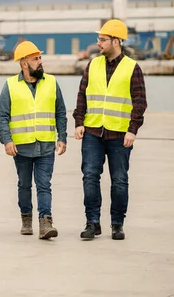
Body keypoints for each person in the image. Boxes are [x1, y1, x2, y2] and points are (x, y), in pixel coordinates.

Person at [73, 19, 147, 241]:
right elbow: (82, 96)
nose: (98, 43)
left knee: (120, 180)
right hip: (93, 132)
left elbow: (140, 101)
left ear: (115, 41)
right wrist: (79, 122)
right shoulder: (93, 65)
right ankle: (92, 223)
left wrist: (133, 129)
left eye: (102, 40)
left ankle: (117, 224)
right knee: (90, 177)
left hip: (120, 134)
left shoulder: (132, 68)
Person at [0, 41, 67, 240]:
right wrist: (7, 141)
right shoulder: (10, 85)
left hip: (45, 144)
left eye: (40, 57)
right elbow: (2, 116)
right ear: (24, 63)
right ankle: (26, 219)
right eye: (35, 59)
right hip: (22, 147)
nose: (40, 61)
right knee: (24, 185)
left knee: (44, 185)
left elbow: (60, 112)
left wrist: (62, 137)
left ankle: (45, 222)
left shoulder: (52, 82)